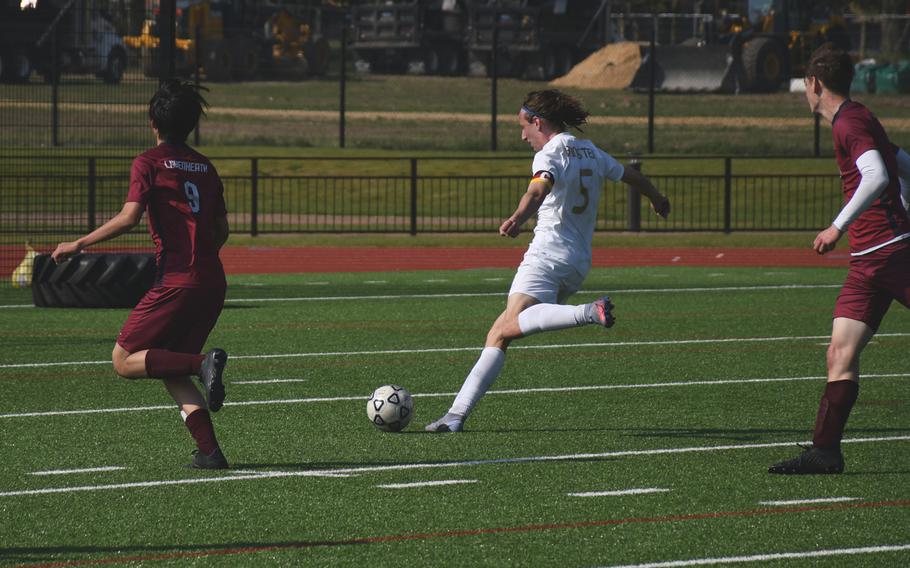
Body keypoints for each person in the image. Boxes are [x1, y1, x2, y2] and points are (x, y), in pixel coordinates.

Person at [426, 89, 670, 433]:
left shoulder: (551, 153)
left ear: (537, 122)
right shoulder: (590, 150)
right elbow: (632, 175)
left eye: (523, 126)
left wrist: (517, 217)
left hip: (547, 254)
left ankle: (586, 313)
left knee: (507, 327)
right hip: (578, 262)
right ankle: (455, 416)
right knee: (500, 332)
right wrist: (657, 198)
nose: (522, 134)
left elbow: (538, 189)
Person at [52, 79, 231, 469]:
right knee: (165, 362)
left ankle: (202, 363)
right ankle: (210, 452)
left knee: (123, 359)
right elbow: (222, 232)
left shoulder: (149, 162)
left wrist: (79, 244)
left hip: (175, 282)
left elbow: (129, 217)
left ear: (153, 121)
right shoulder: (205, 166)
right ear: (190, 125)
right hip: (212, 282)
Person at [769, 43, 910, 474]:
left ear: (814, 83)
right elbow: (902, 163)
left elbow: (878, 175)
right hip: (870, 261)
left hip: (890, 251)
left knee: (840, 350)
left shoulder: (849, 122)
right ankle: (825, 451)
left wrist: (836, 227)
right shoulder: (859, 117)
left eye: (804, 85)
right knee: (839, 352)